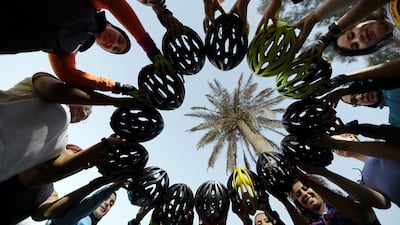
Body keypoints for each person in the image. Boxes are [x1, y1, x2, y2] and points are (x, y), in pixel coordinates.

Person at [2, 0, 174, 97]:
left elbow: (67, 75)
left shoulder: (70, 51)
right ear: (114, 26)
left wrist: (118, 87)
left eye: (114, 49)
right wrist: (150, 49)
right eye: (120, 39)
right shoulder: (94, 5)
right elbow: (115, 3)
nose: (114, 43)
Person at [288, 163, 388, 225]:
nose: (304, 194)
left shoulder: (350, 200)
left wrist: (311, 179)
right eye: (298, 195)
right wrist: (284, 201)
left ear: (317, 187)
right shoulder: (316, 223)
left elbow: (368, 214)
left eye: (306, 187)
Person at [332, 133, 400, 208]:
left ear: (350, 136)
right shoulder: (366, 183)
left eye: (333, 142)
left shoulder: (380, 141)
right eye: (332, 150)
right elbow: (384, 204)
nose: (335, 148)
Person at [45, 178, 124, 225]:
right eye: (106, 198)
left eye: (111, 204)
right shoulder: (80, 217)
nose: (107, 203)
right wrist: (110, 189)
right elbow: (80, 210)